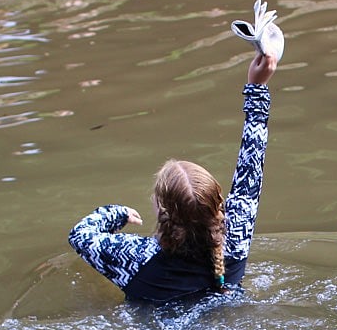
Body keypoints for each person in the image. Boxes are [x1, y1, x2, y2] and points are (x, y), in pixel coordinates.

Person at [68, 51, 278, 304]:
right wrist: (257, 87)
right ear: (219, 206)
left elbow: (80, 235)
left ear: (162, 210)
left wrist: (117, 214)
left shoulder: (135, 256)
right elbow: (252, 162)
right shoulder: (236, 236)